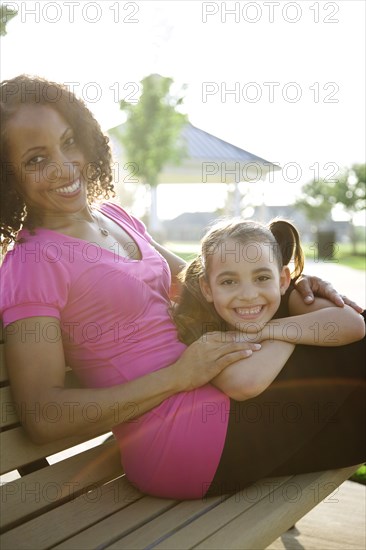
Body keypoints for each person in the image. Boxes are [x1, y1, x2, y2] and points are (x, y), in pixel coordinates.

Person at [0, 75, 364, 500]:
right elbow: (45, 417)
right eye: (36, 160)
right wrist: (178, 376)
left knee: (343, 337)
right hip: (183, 445)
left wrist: (291, 285)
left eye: (69, 141)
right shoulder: (31, 264)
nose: (64, 166)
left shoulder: (115, 217)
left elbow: (205, 281)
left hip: (222, 394)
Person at [173, 218, 365, 402]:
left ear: (282, 281)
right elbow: (242, 384)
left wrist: (266, 330)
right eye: (229, 282)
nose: (248, 295)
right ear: (207, 289)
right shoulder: (203, 324)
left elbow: (354, 324)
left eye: (262, 278)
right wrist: (291, 335)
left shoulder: (290, 296)